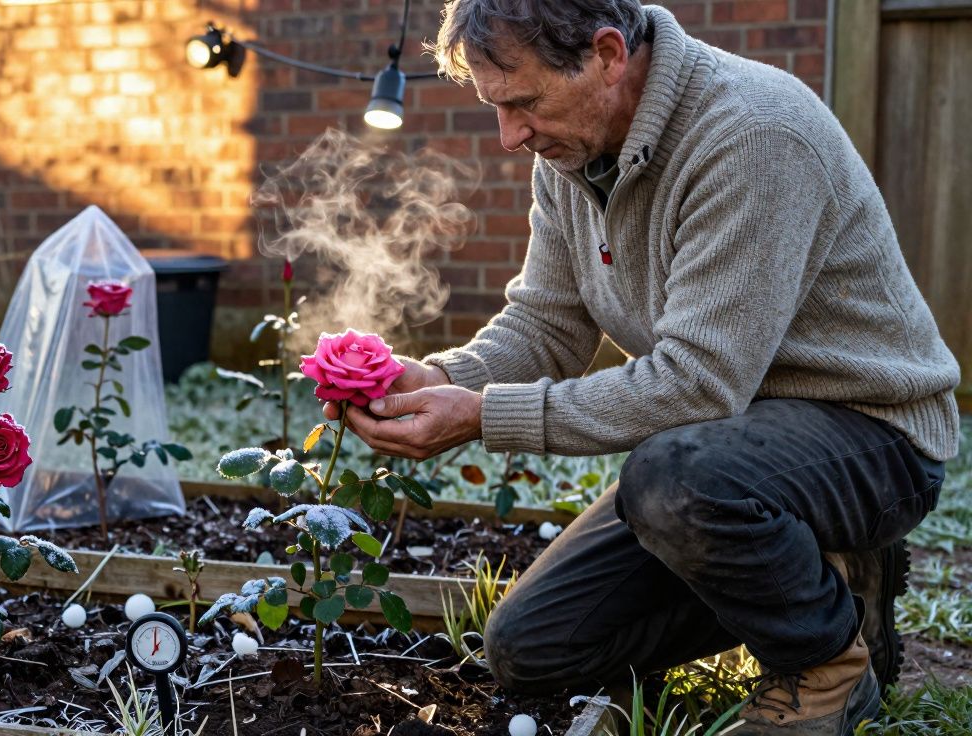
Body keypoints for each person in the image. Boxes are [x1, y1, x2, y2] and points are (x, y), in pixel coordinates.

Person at [326, 1, 959, 732]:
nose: (510, 136)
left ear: (606, 54)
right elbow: (548, 323)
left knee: (670, 480)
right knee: (530, 647)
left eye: (524, 102)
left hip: (870, 435)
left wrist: (483, 416)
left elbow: (697, 386)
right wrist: (442, 380)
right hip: (730, 451)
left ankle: (825, 664)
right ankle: (822, 578)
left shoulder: (752, 135)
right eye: (496, 109)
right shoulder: (568, 151)